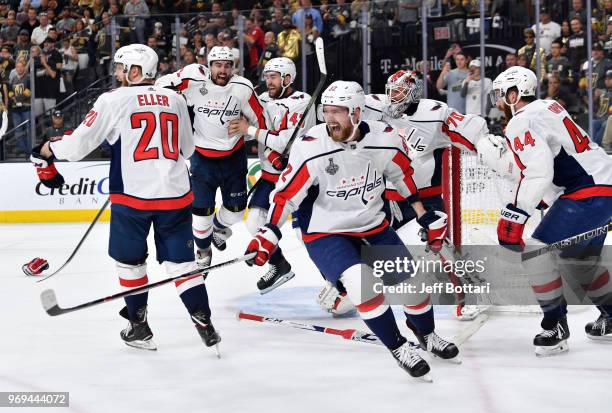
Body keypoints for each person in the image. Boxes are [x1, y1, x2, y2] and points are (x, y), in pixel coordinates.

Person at [244, 80, 459, 378]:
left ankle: (426, 334)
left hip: (372, 225)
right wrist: (269, 232)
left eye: (338, 112)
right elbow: (285, 196)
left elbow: (402, 174)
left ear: (357, 113)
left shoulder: (385, 139)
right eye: (326, 111)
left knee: (412, 285)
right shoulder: (311, 147)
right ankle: (398, 347)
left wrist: (423, 213)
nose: (329, 118)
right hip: (326, 232)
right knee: (361, 283)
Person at [27, 44, 221, 353]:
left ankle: (139, 326)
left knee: (130, 264)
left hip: (133, 200)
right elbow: (187, 149)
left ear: (135, 71)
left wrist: (48, 149)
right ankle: (203, 319)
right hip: (175, 196)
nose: (117, 73)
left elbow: (77, 146)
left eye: (120, 68)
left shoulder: (112, 99)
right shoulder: (174, 99)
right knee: (182, 266)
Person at [490, 66, 612, 356]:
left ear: (514, 93)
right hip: (603, 186)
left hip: (588, 192)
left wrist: (516, 214)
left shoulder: (520, 121)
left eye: (500, 94)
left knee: (535, 252)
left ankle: (555, 325)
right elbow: (559, 161)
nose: (496, 101)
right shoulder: (549, 106)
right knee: (580, 260)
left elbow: (539, 171)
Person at [156, 46, 266, 272]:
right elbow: (160, 86)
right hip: (202, 159)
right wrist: (183, 74)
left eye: (227, 65)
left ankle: (219, 227)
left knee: (236, 213)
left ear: (233, 68)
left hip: (234, 157)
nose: (223, 70)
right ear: (209, 66)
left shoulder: (242, 88)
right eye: (218, 65)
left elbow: (262, 120)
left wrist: (251, 130)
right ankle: (203, 251)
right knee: (200, 216)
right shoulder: (195, 82)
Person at [228, 57, 315, 293]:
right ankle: (279, 265)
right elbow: (253, 134)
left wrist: (251, 130)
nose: (269, 81)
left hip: (300, 178)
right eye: (267, 76)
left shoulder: (302, 102)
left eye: (273, 76)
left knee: (305, 235)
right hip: (269, 175)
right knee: (255, 221)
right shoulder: (262, 99)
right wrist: (242, 130)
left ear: (288, 78)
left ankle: (338, 283)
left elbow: (286, 140)